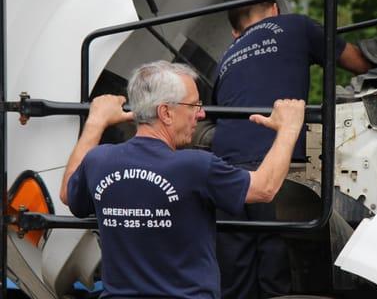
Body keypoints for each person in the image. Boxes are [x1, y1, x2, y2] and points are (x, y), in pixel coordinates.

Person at [59, 60, 305, 299]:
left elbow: (68, 194)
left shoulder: (98, 161)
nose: (201, 113)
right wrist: (289, 128)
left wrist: (95, 121)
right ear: (165, 112)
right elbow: (264, 188)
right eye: (194, 105)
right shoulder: (195, 165)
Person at [212, 0, 373, 299]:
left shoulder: (225, 58)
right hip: (272, 165)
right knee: (276, 268)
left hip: (224, 167)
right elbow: (359, 64)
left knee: (235, 275)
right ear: (275, 9)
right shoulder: (296, 26)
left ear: (235, 31)